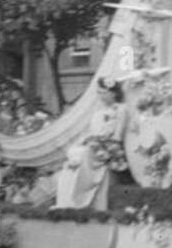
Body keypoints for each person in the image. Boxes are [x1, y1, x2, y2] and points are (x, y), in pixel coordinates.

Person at [54, 78, 127, 210]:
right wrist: (82, 141)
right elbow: (91, 131)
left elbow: (118, 134)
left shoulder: (121, 109)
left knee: (84, 152)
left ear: (113, 93)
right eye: (99, 93)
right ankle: (68, 199)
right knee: (75, 151)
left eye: (104, 92)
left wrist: (110, 145)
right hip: (95, 143)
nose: (101, 96)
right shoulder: (98, 111)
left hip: (107, 146)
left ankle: (79, 197)